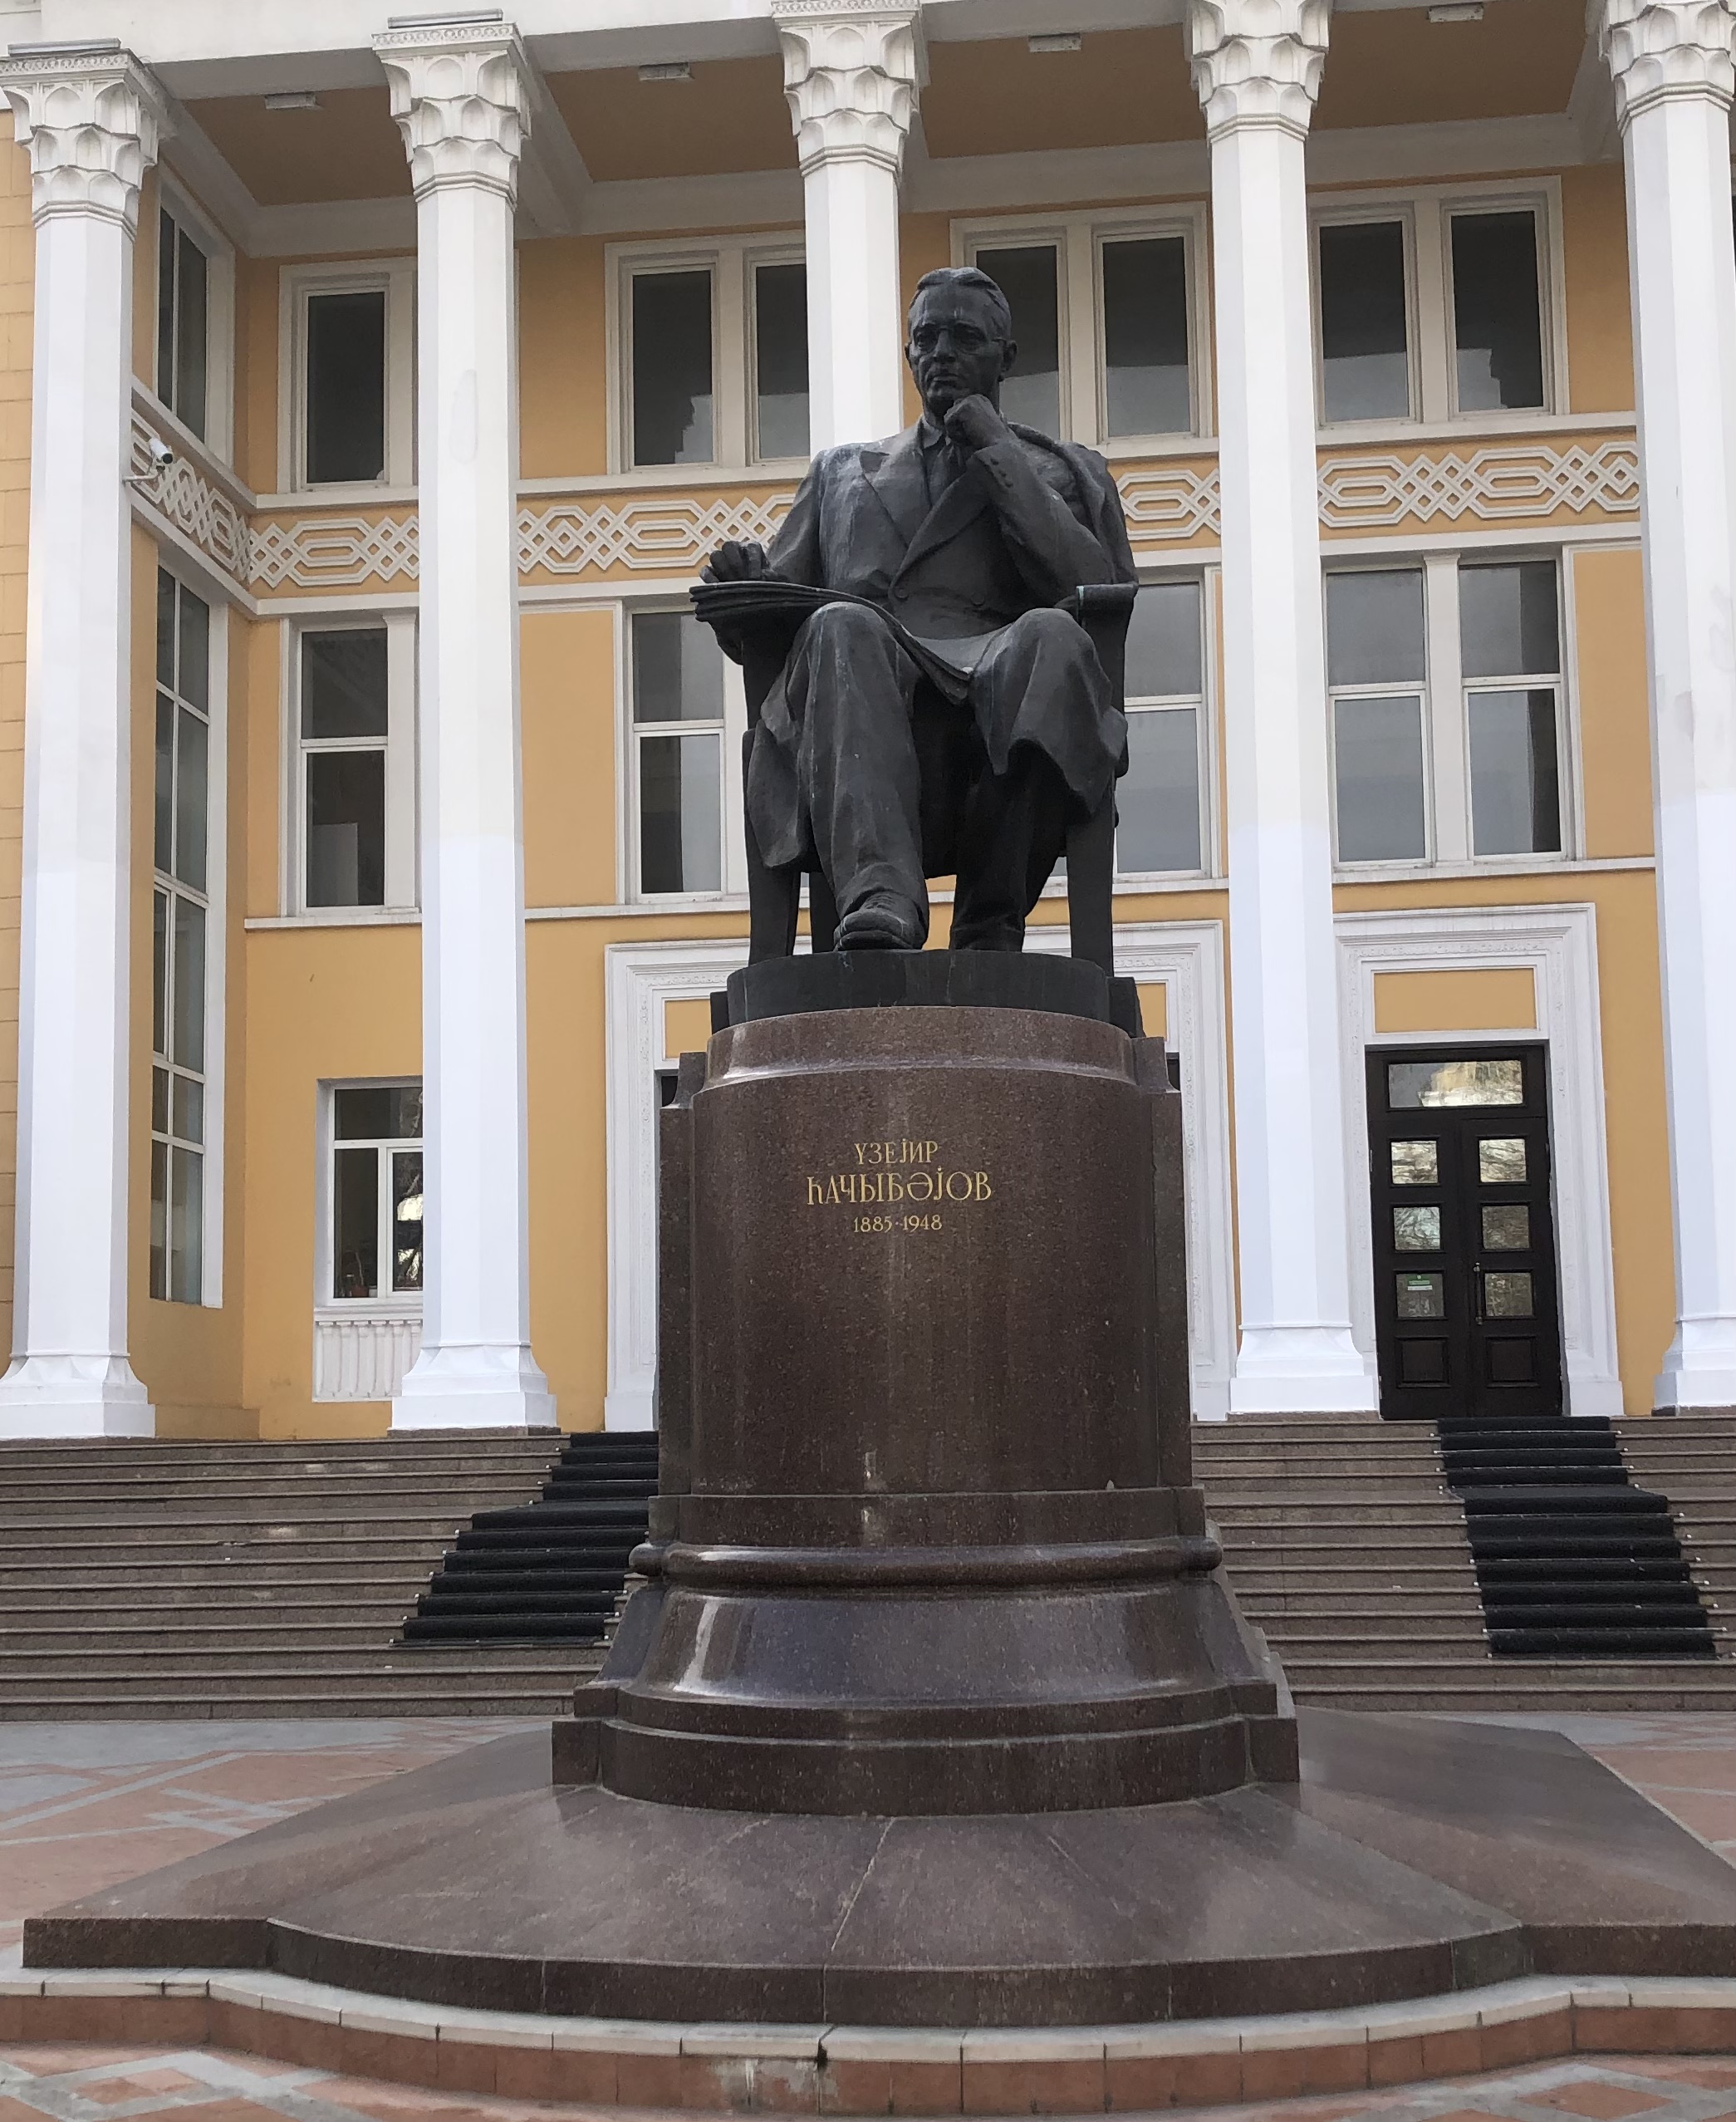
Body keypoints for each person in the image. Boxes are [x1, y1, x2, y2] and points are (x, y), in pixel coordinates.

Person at [704, 265, 1136, 952]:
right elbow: (774, 621)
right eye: (926, 338)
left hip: (998, 706)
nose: (941, 353)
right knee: (840, 624)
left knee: (1053, 639)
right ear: (907, 354)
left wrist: (996, 449)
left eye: (965, 337)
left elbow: (1095, 589)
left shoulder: (1060, 471)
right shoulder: (843, 473)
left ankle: (989, 924)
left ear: (1007, 358)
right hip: (864, 707)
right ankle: (880, 901)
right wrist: (742, 586)